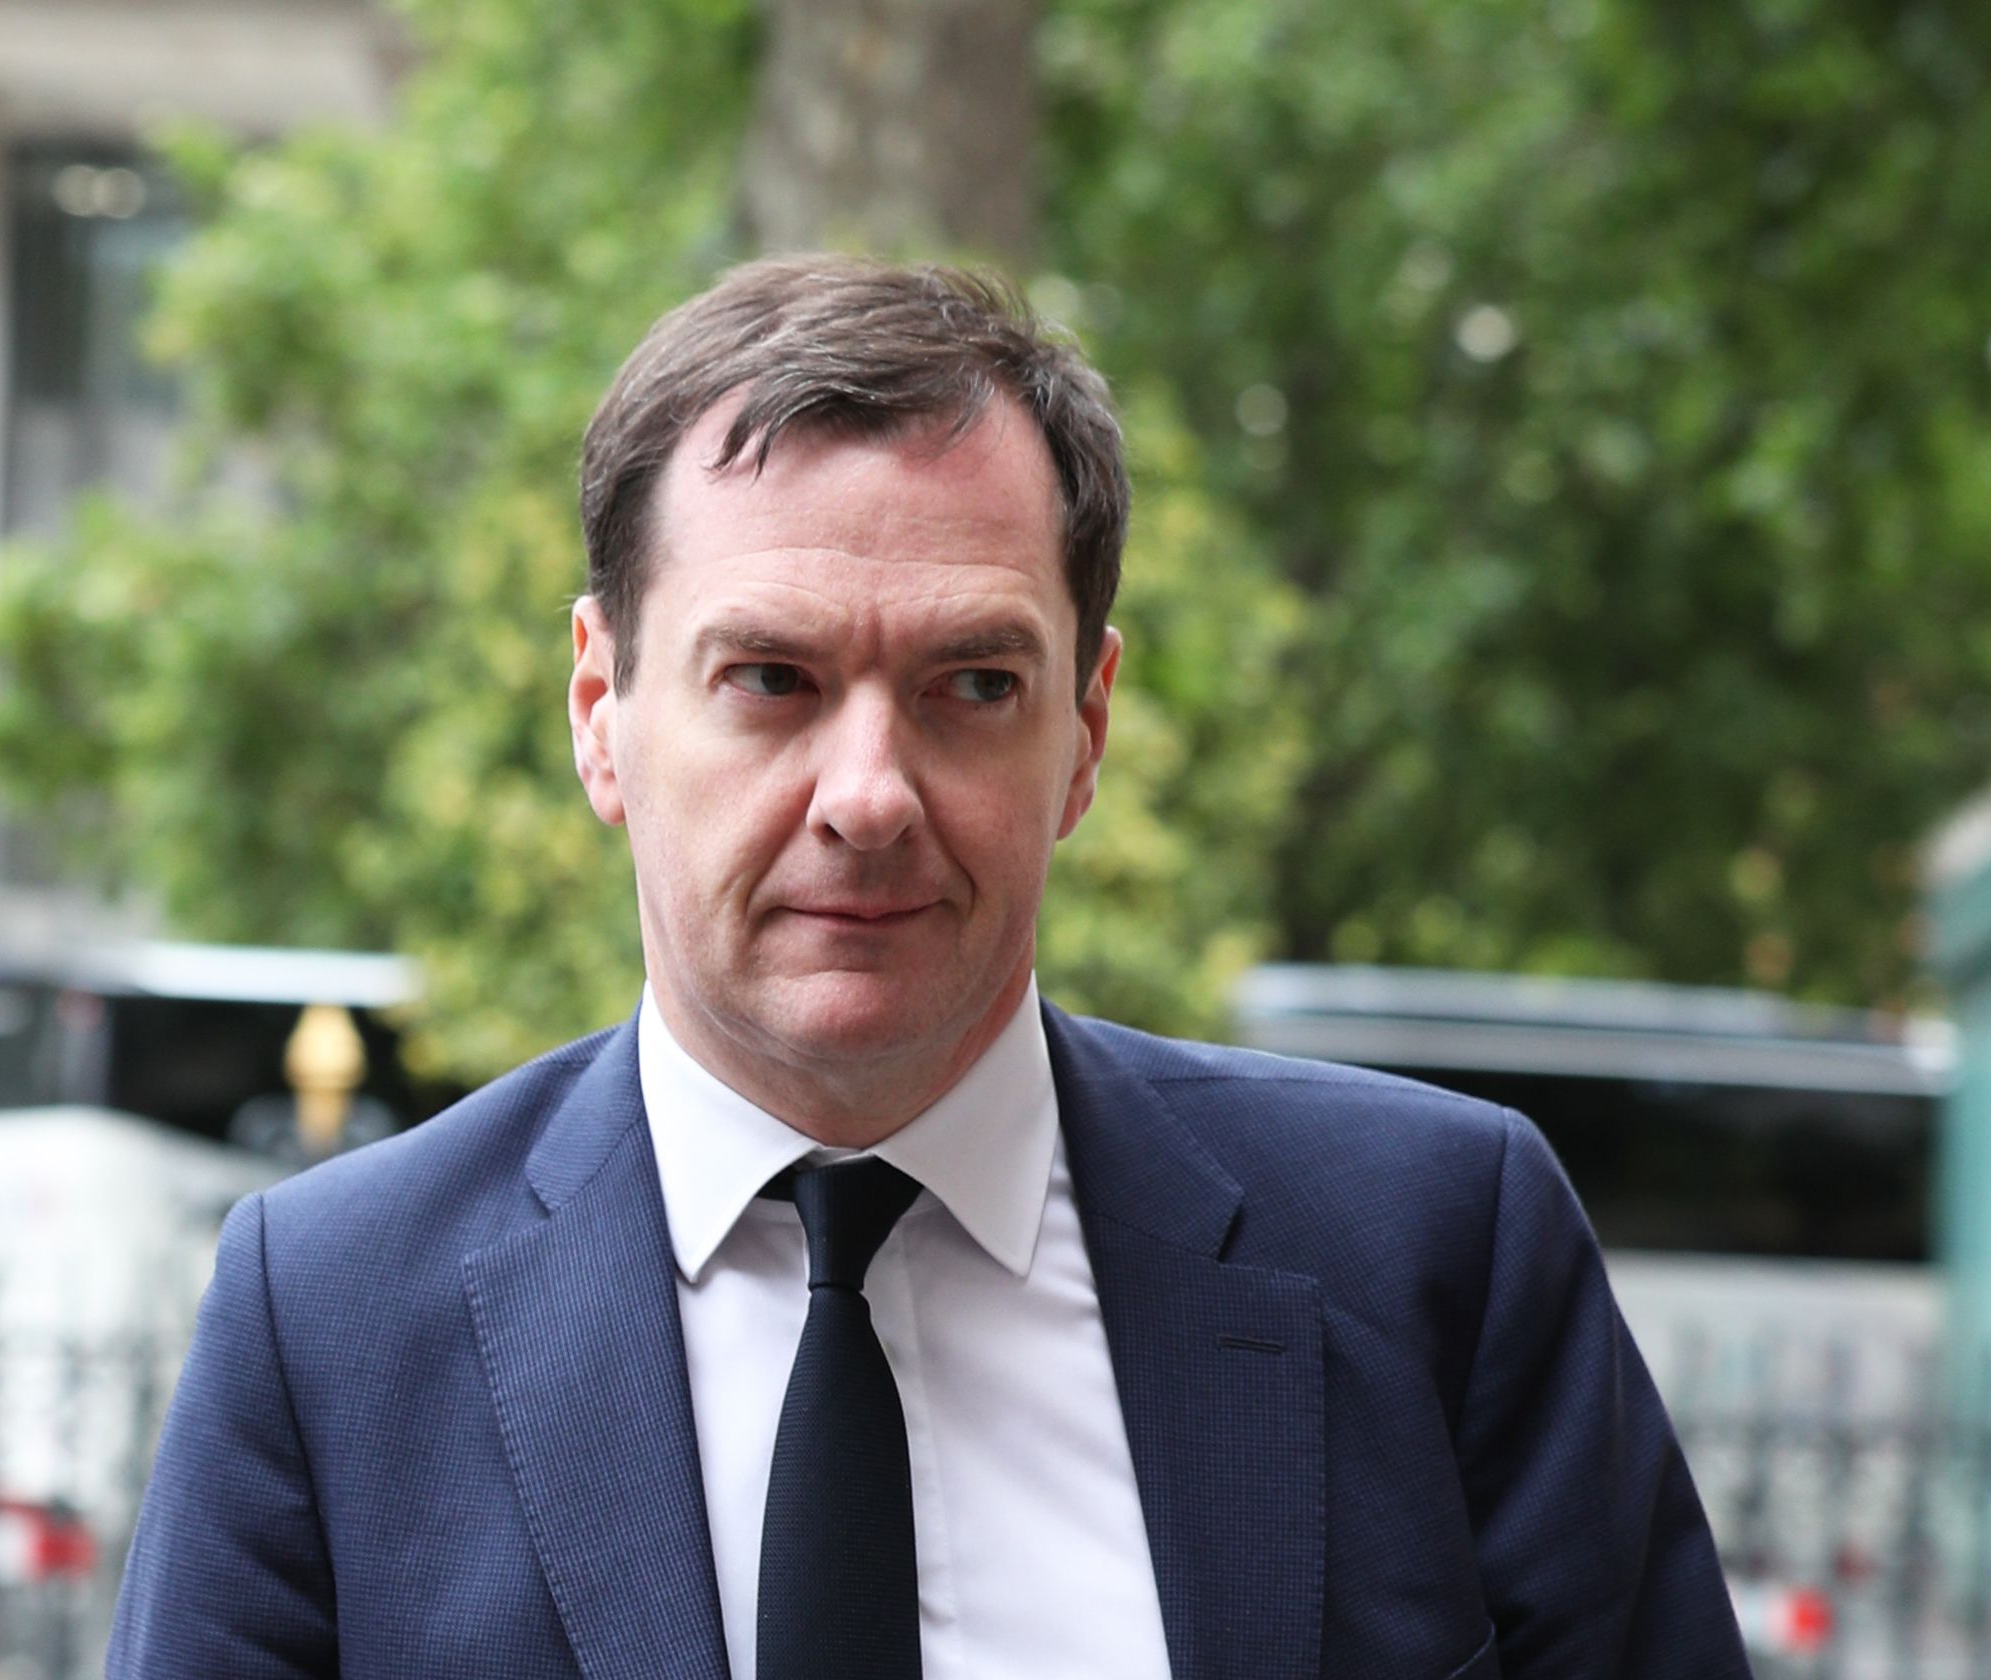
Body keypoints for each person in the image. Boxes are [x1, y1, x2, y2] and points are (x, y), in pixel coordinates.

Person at [108, 257, 1749, 1678]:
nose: (869, 797)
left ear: (1087, 728)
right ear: (601, 712)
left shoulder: (1433, 1255)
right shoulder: (328, 1328)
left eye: (972, 684)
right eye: (768, 678)